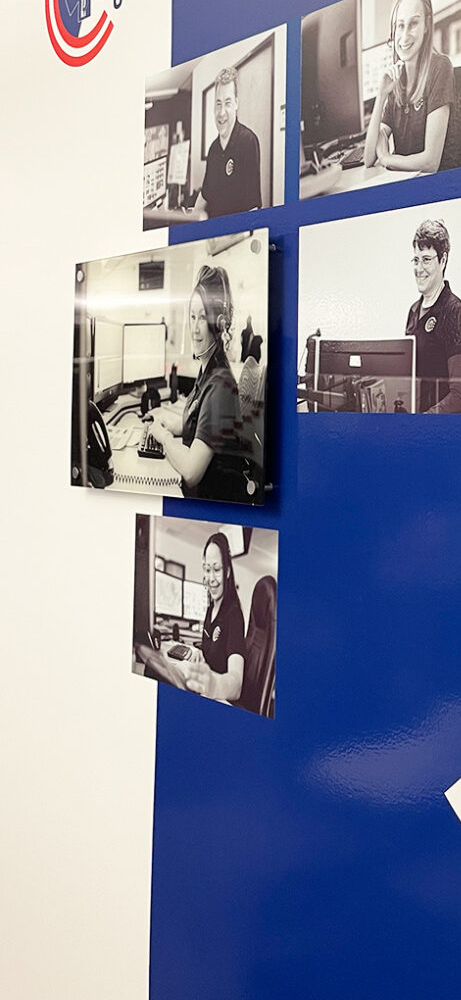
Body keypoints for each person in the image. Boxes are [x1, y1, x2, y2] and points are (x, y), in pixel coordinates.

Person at [143, 263, 250, 499]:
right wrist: (172, 424)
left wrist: (163, 437)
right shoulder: (208, 370)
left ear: (218, 325)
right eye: (192, 316)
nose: (195, 328)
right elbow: (203, 424)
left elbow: (192, 472)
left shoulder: (219, 385)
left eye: (203, 317)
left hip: (210, 503)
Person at [137, 532, 246, 705]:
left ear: (227, 572)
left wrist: (214, 684)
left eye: (217, 569)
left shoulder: (234, 615)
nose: (211, 579)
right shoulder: (211, 609)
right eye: (207, 570)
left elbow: (236, 683)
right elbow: (213, 651)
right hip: (200, 689)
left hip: (215, 698)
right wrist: (201, 654)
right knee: (155, 670)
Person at [363, 0, 454, 174]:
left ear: (426, 26)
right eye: (400, 26)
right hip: (402, 181)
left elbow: (430, 163)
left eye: (413, 24)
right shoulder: (397, 79)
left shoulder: (440, 67)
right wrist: (381, 95)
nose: (404, 36)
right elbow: (368, 158)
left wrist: (387, 158)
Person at [404, 219, 461, 413]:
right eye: (416, 260)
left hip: (435, 424)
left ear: (442, 261)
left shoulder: (454, 312)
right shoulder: (413, 311)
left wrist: (423, 420)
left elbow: (460, 396)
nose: (419, 268)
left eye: (426, 259)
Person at [188, 65, 262, 219]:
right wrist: (190, 221)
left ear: (236, 104)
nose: (221, 112)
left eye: (227, 103)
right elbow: (205, 195)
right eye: (218, 103)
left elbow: (253, 207)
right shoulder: (213, 149)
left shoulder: (248, 142)